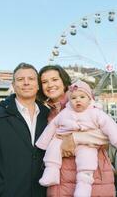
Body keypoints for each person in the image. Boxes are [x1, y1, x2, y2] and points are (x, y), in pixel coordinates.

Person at [38, 65, 115, 197]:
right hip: (59, 183)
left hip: (93, 181)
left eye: (55, 79)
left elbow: (106, 135)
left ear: (64, 81)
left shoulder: (86, 104)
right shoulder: (45, 112)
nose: (50, 85)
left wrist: (74, 138)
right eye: (44, 82)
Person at [0, 63, 50, 197]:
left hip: (42, 192)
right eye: (20, 79)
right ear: (13, 85)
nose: (26, 83)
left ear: (38, 85)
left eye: (31, 79)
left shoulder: (47, 116)